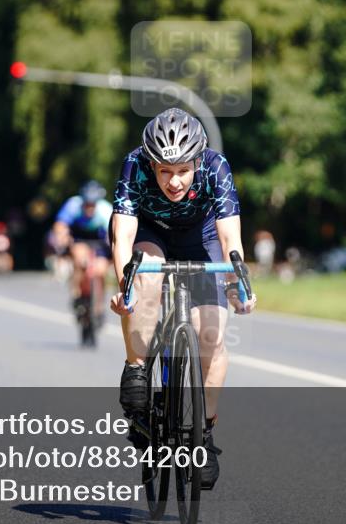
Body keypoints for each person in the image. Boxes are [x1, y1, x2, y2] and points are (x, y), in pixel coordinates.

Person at [109, 107, 256, 489]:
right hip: (152, 234)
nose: (174, 182)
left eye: (182, 171)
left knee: (211, 337)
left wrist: (237, 285)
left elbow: (230, 240)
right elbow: (122, 237)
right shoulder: (133, 165)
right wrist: (125, 287)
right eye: (164, 172)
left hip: (201, 237)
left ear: (197, 161)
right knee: (147, 282)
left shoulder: (216, 166)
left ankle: (203, 434)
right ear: (151, 164)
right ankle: (137, 366)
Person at [51, 180, 114, 335]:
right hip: (79, 240)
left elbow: (114, 232)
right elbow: (60, 225)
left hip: (100, 243)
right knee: (80, 258)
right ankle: (76, 294)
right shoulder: (73, 205)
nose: (89, 208)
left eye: (93, 205)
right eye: (87, 204)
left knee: (100, 271)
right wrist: (61, 237)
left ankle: (99, 306)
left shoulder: (106, 210)